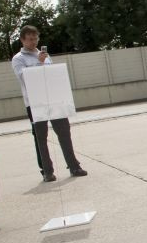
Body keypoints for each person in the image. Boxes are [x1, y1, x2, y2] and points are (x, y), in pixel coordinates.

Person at [10, 25, 88, 182]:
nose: (34, 42)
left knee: (64, 132)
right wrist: (39, 63)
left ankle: (74, 166)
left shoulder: (45, 55)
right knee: (41, 137)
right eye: (30, 39)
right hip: (35, 103)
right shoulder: (18, 59)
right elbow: (25, 79)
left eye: (36, 38)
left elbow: (51, 76)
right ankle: (47, 171)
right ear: (22, 40)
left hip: (54, 100)